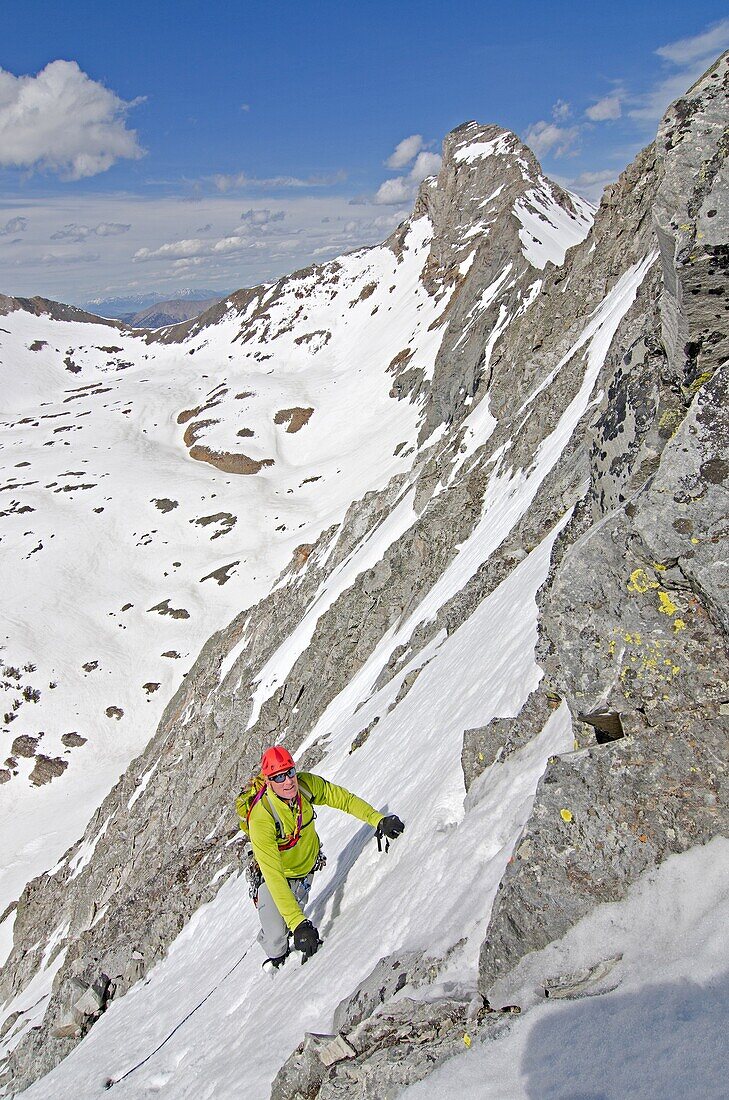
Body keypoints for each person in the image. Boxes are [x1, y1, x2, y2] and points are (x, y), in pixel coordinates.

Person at [237, 745, 404, 971]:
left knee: (296, 915)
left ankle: (290, 924)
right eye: (278, 777)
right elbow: (274, 875)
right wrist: (298, 925)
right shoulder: (262, 818)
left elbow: (342, 798)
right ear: (268, 781)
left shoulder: (305, 786)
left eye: (290, 772)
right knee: (277, 938)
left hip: (306, 868)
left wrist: (378, 820)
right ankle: (277, 963)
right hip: (275, 876)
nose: (288, 781)